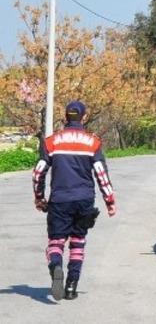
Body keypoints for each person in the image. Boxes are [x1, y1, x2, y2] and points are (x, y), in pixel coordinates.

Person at [32, 100, 116, 301]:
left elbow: (38, 172)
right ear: (84, 117)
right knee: (78, 242)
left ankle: (56, 266)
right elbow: (100, 173)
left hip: (59, 199)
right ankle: (71, 286)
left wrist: (39, 198)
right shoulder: (92, 142)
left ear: (65, 117)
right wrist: (109, 200)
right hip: (84, 199)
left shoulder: (51, 142)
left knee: (56, 242)